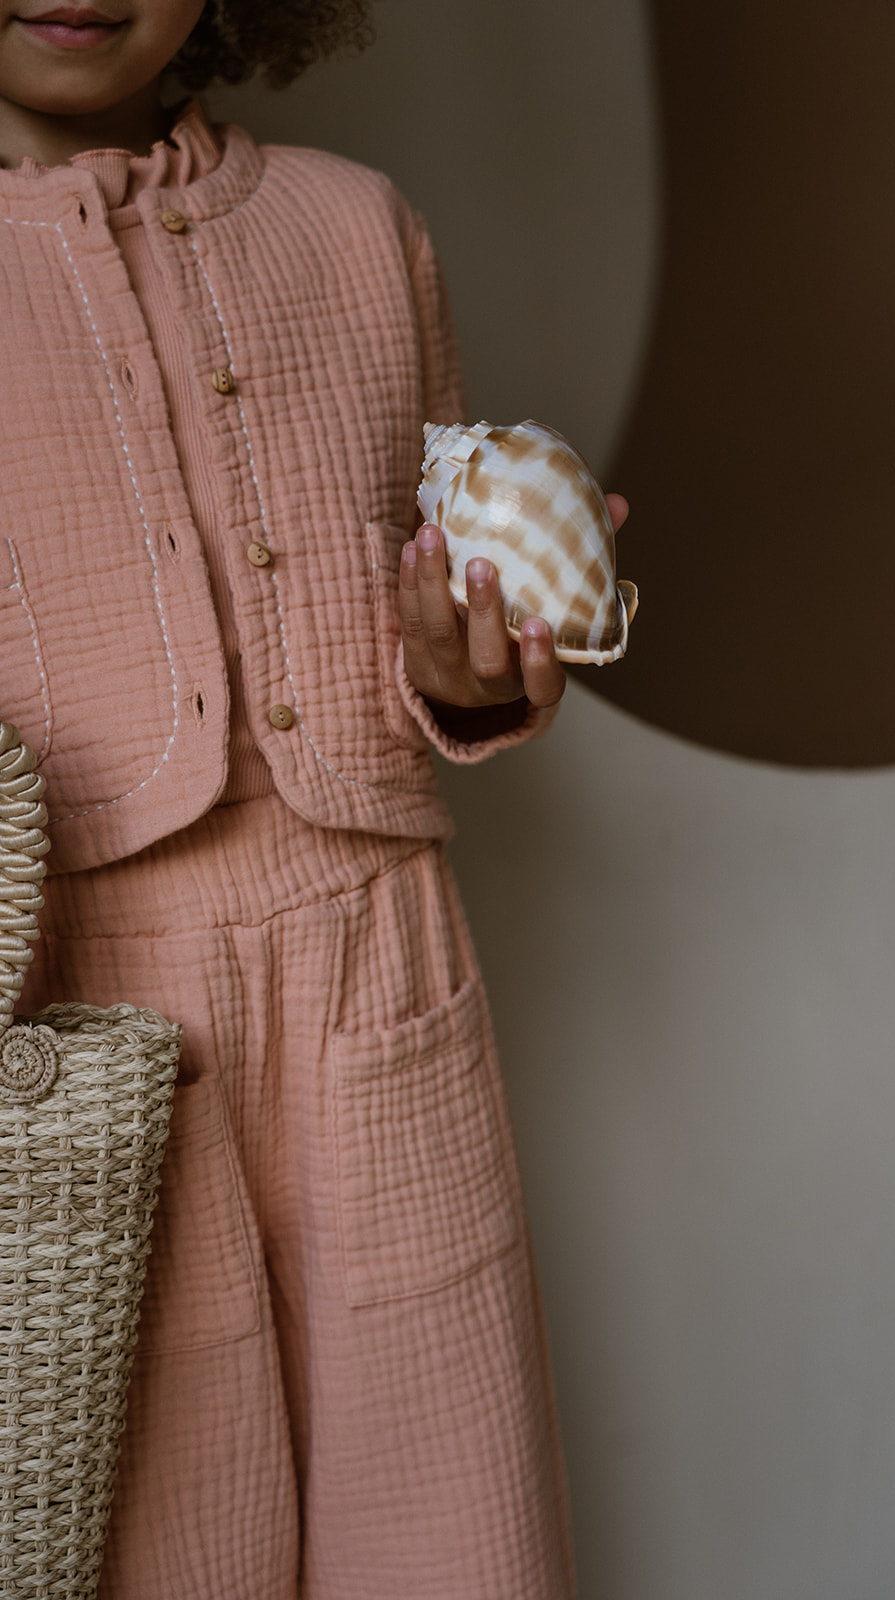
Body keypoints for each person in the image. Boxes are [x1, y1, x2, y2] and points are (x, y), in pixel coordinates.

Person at [0, 1, 627, 1594]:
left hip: (379, 980)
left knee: (445, 1522)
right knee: (151, 1531)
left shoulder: (358, 231)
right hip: (78, 1033)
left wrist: (469, 671)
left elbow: (420, 635)